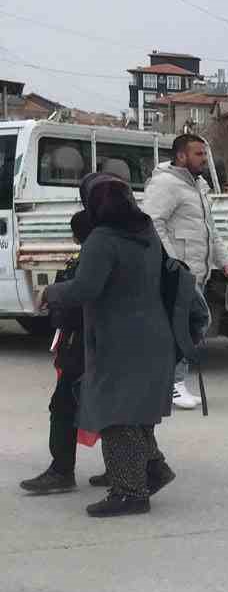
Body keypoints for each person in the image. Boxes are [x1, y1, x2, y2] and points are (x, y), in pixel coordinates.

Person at [39, 175, 205, 516]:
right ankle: (153, 470)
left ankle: (130, 493)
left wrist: (50, 293)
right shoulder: (146, 233)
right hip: (155, 335)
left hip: (119, 340)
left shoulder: (102, 239)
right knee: (136, 413)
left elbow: (85, 288)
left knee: (116, 415)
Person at [144, 134, 228, 410]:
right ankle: (173, 384)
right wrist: (173, 262)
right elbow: (152, 223)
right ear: (181, 156)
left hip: (197, 271)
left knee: (186, 326)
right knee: (192, 324)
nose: (204, 159)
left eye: (205, 154)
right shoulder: (166, 184)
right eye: (198, 154)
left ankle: (171, 383)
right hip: (179, 273)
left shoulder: (198, 186)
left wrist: (225, 261)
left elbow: (210, 230)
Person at [18, 211, 102, 495]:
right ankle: (131, 466)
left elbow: (79, 297)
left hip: (84, 343)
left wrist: (52, 295)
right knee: (112, 406)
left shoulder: (93, 256)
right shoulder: (120, 246)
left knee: (64, 404)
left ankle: (61, 471)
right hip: (106, 342)